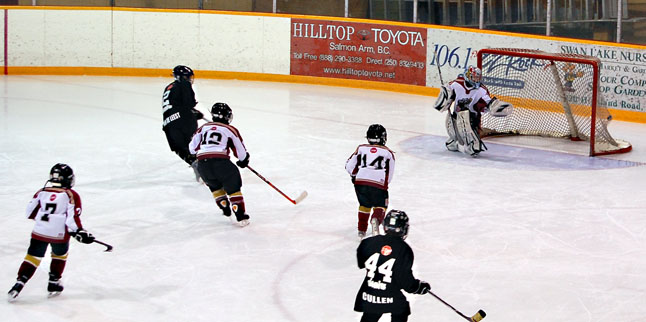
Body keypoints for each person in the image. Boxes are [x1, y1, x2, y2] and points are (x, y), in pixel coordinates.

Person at [8, 163, 95, 302]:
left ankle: (19, 284)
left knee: (32, 257)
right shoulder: (71, 194)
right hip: (59, 235)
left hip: (39, 232)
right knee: (59, 255)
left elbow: (29, 212)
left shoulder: (41, 192)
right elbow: (73, 218)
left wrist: (45, 223)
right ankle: (54, 282)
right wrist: (80, 231)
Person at [354, 209, 431, 322]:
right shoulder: (404, 249)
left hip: (368, 295)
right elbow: (404, 281)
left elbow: (361, 263)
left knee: (372, 311)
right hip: (390, 297)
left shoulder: (367, 242)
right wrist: (417, 287)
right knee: (401, 309)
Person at [189, 102, 251, 227]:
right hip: (221, 164)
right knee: (233, 187)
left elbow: (192, 149)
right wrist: (243, 160)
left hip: (202, 165)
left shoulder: (202, 128)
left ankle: (224, 205)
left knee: (215, 186)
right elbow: (241, 152)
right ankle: (240, 214)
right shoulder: (230, 129)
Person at [433, 65, 512, 156]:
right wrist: (445, 97)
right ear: (467, 75)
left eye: (477, 77)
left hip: (472, 122)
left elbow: (488, 104)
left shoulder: (481, 91)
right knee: (451, 145)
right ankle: (456, 140)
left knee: (474, 149)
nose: (476, 80)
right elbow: (445, 95)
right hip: (455, 119)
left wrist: (495, 107)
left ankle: (461, 142)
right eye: (473, 77)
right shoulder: (457, 84)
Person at [345, 124, 395, 238]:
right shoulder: (388, 153)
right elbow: (390, 174)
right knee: (381, 205)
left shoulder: (361, 148)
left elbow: (349, 166)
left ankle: (361, 230)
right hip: (378, 184)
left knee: (364, 204)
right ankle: (375, 220)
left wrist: (355, 176)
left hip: (360, 183)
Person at [162, 65, 205, 181]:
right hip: (185, 120)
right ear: (182, 77)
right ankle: (207, 165)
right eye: (188, 77)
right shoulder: (184, 84)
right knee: (193, 144)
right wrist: (193, 113)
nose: (190, 79)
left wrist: (192, 112)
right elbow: (189, 103)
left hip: (169, 123)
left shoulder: (168, 87)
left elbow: (174, 105)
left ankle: (194, 162)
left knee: (179, 147)